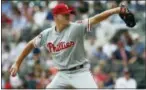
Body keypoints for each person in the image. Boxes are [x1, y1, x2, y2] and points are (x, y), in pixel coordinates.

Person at [10, 3, 128, 89]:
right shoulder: (47, 34)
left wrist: (116, 10)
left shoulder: (76, 27)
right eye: (64, 14)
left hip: (80, 72)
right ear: (55, 16)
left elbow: (97, 18)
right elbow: (30, 44)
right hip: (62, 74)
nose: (68, 16)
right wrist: (17, 63)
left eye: (68, 14)